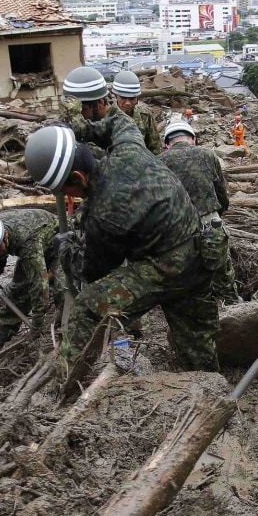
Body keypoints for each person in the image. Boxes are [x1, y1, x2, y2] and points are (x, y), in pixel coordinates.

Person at [23, 120, 222, 375]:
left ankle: (66, 385)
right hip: (202, 252)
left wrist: (67, 250)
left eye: (66, 191)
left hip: (169, 268)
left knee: (86, 308)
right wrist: (75, 129)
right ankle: (209, 380)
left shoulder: (104, 216)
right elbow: (120, 121)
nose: (69, 197)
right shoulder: (129, 147)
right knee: (194, 338)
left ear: (78, 177)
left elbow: (94, 273)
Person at [159, 120, 235, 301]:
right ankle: (233, 308)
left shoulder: (159, 161)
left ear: (167, 144)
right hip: (209, 222)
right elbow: (221, 194)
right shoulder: (208, 154)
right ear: (193, 139)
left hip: (176, 228)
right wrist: (218, 213)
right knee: (222, 272)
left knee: (186, 278)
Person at [0, 211, 60, 352]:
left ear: (5, 234)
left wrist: (37, 321)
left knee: (61, 286)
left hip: (57, 243)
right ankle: (3, 333)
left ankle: (64, 328)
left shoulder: (27, 242)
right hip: (34, 244)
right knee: (17, 290)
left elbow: (39, 284)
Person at [111, 71, 162, 155]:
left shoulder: (144, 115)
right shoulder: (107, 116)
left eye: (132, 98)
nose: (127, 103)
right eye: (123, 98)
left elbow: (155, 147)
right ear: (116, 96)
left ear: (137, 98)